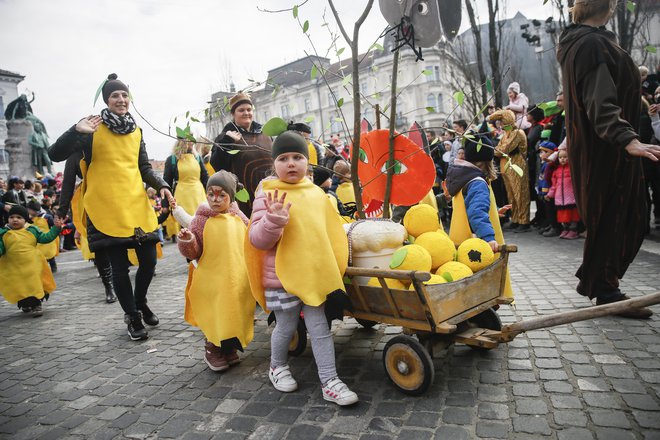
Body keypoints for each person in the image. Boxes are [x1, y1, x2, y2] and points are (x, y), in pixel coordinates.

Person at [48, 73, 173, 339]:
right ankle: (132, 316)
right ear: (107, 100)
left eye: (125, 94)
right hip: (104, 205)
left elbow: (144, 167)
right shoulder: (90, 128)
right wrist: (74, 130)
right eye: (115, 95)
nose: (121, 99)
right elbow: (55, 154)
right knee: (119, 267)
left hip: (135, 203)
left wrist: (162, 184)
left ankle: (140, 302)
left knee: (149, 261)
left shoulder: (136, 130)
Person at [557, 0, 660, 318]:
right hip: (606, 150)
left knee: (620, 217)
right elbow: (599, 101)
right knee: (619, 217)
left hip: (600, 148)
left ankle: (603, 284)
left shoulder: (582, 42)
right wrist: (626, 138)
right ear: (609, 6)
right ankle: (604, 287)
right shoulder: (590, 45)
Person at [245, 131, 358, 406]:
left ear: (308, 162)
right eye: (284, 158)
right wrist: (273, 220)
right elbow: (256, 239)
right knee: (285, 325)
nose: (291, 163)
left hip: (313, 275)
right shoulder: (268, 194)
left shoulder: (316, 193)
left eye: (298, 157)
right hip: (282, 277)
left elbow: (326, 231)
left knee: (319, 327)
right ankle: (277, 366)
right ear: (275, 164)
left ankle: (330, 381)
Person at [177, 171, 254, 372]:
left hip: (236, 275)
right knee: (216, 312)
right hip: (213, 277)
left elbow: (250, 236)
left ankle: (228, 347)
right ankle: (213, 347)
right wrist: (187, 240)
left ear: (230, 196)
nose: (215, 199)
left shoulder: (238, 216)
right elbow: (194, 252)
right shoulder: (200, 220)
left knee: (233, 310)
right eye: (211, 194)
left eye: (221, 195)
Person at [445, 132, 513, 299]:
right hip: (477, 244)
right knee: (482, 284)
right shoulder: (477, 182)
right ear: (488, 160)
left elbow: (468, 207)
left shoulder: (465, 178)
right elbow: (476, 212)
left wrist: (494, 212)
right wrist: (489, 237)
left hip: (461, 240)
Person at [210, 92, 273, 216]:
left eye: (249, 109)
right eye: (241, 110)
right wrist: (227, 142)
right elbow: (217, 165)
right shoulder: (225, 136)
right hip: (243, 195)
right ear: (233, 114)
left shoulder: (265, 132)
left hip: (269, 191)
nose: (246, 113)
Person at [0, 205, 61, 317]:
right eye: (12, 217)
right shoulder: (3, 233)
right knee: (19, 285)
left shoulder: (32, 230)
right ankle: (24, 303)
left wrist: (56, 229)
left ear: (25, 219)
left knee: (34, 283)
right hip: (14, 267)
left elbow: (45, 238)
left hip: (33, 264)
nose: (15, 220)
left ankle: (36, 304)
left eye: (19, 217)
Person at [489, 109, 531, 232]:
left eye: (501, 121)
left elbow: (503, 149)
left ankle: (524, 221)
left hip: (516, 166)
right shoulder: (506, 134)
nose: (500, 124)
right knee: (511, 195)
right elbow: (498, 149)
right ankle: (515, 219)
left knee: (520, 194)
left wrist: (498, 149)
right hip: (506, 167)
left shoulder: (517, 133)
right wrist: (498, 149)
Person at [162, 139, 209, 241]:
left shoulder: (197, 158)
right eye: (189, 140)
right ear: (181, 141)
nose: (191, 143)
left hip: (199, 197)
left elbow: (206, 179)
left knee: (203, 228)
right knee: (187, 229)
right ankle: (190, 254)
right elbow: (166, 183)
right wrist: (165, 204)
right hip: (182, 198)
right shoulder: (172, 160)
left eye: (192, 141)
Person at [546, 148, 580, 239]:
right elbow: (554, 185)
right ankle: (566, 229)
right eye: (560, 157)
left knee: (572, 215)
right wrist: (550, 194)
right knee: (563, 216)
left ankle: (573, 230)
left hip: (571, 198)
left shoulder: (572, 170)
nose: (563, 159)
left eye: (565, 157)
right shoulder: (556, 171)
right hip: (560, 199)